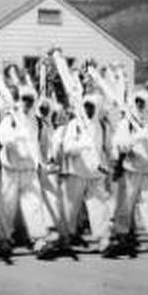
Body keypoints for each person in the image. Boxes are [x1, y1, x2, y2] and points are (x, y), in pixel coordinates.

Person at [0, 86, 52, 258]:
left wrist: (43, 163)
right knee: (6, 206)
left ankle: (38, 239)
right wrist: (16, 136)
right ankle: (2, 239)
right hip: (10, 170)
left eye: (30, 100)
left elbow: (43, 146)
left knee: (34, 205)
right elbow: (0, 138)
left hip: (29, 170)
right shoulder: (10, 119)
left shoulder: (38, 122)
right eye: (24, 99)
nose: (26, 103)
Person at [110, 89, 148, 256]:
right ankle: (122, 237)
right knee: (125, 205)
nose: (140, 105)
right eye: (137, 101)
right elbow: (119, 145)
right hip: (132, 170)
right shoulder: (127, 122)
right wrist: (136, 138)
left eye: (143, 102)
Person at [54, 93, 111, 258]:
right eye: (85, 106)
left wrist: (110, 162)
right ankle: (64, 238)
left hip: (96, 174)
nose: (88, 110)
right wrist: (82, 145)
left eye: (91, 107)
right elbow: (67, 148)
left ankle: (103, 239)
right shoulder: (74, 124)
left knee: (99, 208)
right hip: (76, 172)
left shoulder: (103, 126)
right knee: (70, 208)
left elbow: (108, 148)